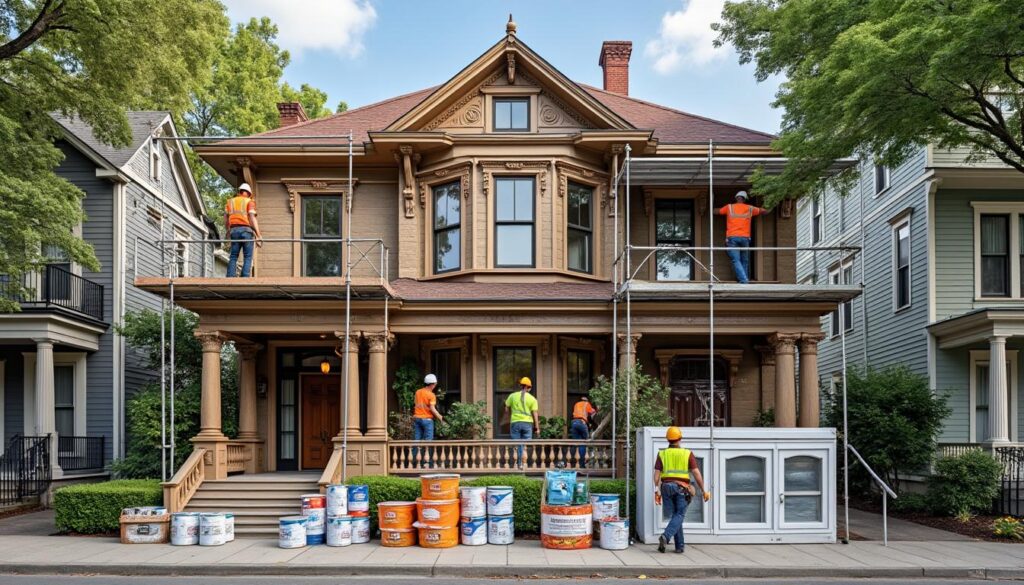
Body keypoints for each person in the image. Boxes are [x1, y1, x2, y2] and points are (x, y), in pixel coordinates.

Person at [653, 426, 710, 554]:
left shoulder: (662, 454)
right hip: (681, 488)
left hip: (666, 487)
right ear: (680, 438)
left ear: (667, 439)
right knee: (679, 515)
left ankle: (679, 546)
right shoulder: (687, 453)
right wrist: (703, 490)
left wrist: (657, 491)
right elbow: (696, 473)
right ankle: (666, 536)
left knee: (676, 515)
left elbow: (656, 476)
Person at [717, 191, 767, 284]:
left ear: (736, 198)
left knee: (736, 260)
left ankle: (744, 280)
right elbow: (763, 211)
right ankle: (744, 279)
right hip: (745, 238)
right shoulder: (750, 208)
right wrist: (770, 204)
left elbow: (718, 211)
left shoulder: (729, 207)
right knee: (745, 260)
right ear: (744, 199)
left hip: (732, 237)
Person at [224, 183, 262, 277]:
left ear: (239, 192)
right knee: (248, 257)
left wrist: (228, 230)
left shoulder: (230, 202)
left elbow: (226, 218)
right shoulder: (250, 202)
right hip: (246, 231)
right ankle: (245, 277)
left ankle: (230, 277)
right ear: (249, 193)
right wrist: (258, 235)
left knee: (233, 256)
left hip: (234, 231)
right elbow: (252, 218)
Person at [504, 377, 539, 468]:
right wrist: (537, 428)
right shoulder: (532, 399)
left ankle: (518, 465)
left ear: (521, 386)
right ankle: (524, 465)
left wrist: (509, 417)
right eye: (530, 387)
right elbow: (535, 414)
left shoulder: (512, 396)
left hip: (515, 423)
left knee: (517, 445)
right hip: (527, 424)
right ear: (528, 387)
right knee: (525, 447)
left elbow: (506, 408)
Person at [413, 374, 443, 467]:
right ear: (432, 384)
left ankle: (415, 462)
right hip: (427, 420)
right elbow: (432, 409)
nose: (435, 386)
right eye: (435, 384)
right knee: (428, 441)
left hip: (417, 419)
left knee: (417, 440)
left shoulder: (418, 392)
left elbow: (416, 403)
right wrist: (440, 417)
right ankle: (427, 463)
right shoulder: (431, 395)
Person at [569, 396, 597, 466]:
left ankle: (572, 463)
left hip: (574, 423)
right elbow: (593, 412)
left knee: (576, 443)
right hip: (582, 422)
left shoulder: (576, 404)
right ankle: (582, 464)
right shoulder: (586, 404)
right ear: (586, 400)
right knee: (585, 442)